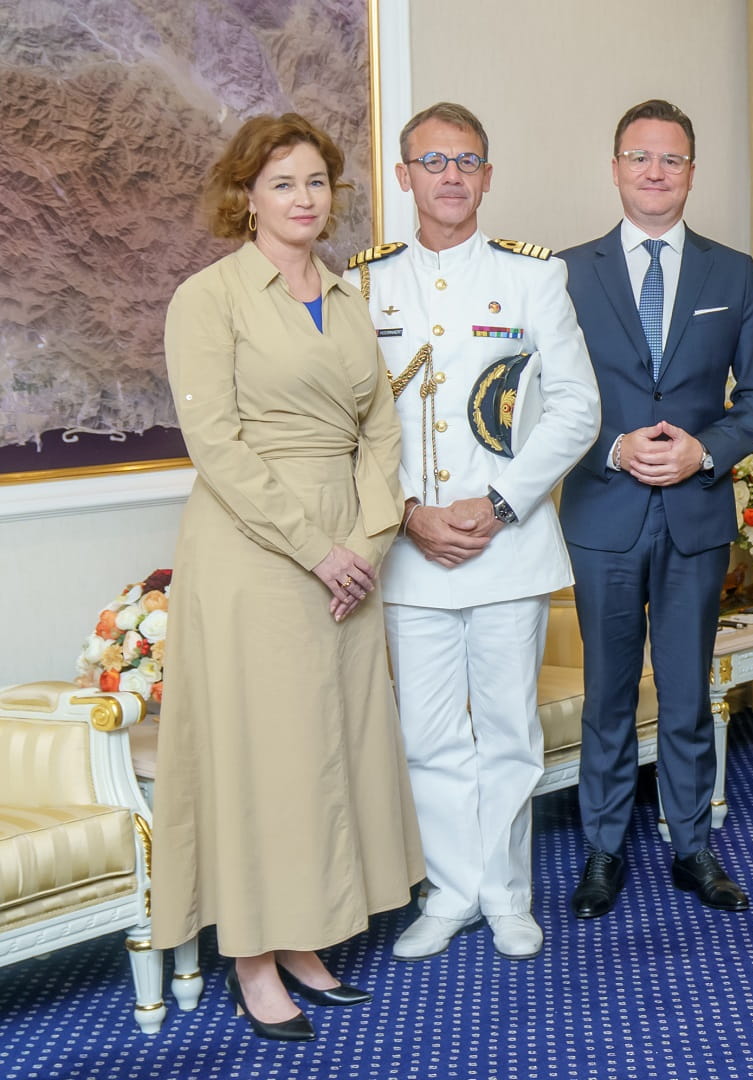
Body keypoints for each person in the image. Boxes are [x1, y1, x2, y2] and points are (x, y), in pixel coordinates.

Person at [152, 113, 422, 1042]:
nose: (303, 199)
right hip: (256, 551)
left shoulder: (345, 297)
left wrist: (368, 543)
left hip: (349, 550)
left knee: (329, 747)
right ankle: (254, 959)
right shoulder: (209, 297)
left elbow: (381, 429)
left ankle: (306, 936)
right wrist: (317, 548)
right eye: (282, 184)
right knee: (264, 755)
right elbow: (217, 448)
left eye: (315, 182)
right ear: (246, 197)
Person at [359, 102, 600, 962]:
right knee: (427, 737)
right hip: (411, 550)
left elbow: (577, 408)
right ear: (404, 176)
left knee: (507, 732)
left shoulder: (533, 278)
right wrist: (408, 513)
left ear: (488, 176)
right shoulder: (366, 285)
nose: (451, 176)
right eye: (433, 162)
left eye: (466, 161)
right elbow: (353, 424)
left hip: (508, 546)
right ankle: (451, 893)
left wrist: (498, 504)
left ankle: (505, 895)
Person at [558, 99, 753, 919]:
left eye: (672, 159)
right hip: (603, 514)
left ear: (692, 172)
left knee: (688, 693)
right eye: (640, 157)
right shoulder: (565, 273)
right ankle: (604, 850)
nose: (655, 172)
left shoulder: (733, 272)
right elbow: (538, 399)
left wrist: (704, 450)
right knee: (609, 695)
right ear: (615, 168)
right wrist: (613, 447)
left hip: (696, 514)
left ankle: (693, 846)